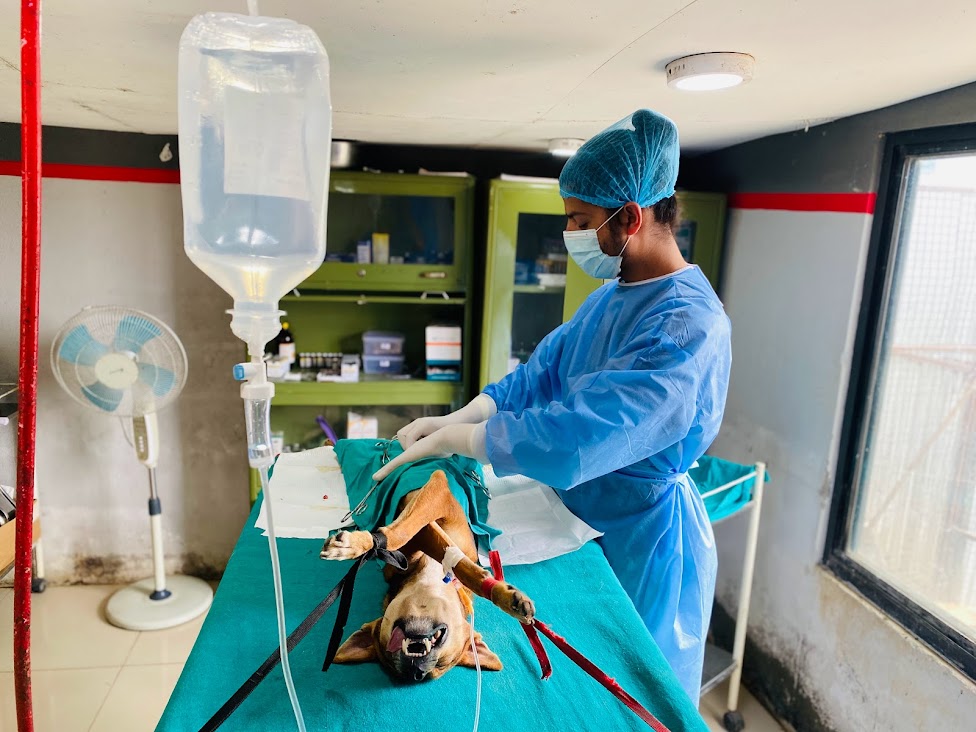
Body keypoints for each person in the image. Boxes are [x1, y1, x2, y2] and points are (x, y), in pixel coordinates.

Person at [373, 109, 731, 702]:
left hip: (639, 537)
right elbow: (541, 376)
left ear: (631, 217)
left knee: (624, 693)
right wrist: (464, 416)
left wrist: (470, 442)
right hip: (577, 508)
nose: (570, 233)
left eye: (580, 220)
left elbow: (585, 436)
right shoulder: (612, 299)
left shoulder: (688, 325)